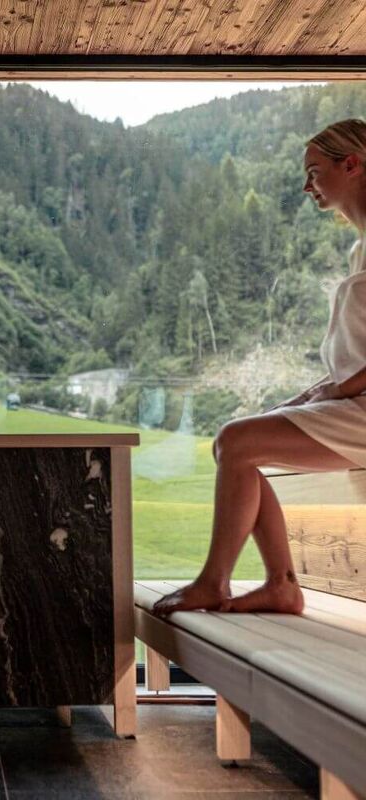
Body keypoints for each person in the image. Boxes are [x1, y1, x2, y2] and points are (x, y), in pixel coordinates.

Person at [154, 118, 366, 618]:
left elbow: (356, 373)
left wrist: (337, 391)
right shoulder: (360, 249)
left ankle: (216, 582)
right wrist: (308, 396)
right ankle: (281, 585)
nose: (306, 185)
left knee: (238, 442)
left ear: (351, 164)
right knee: (241, 443)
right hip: (354, 405)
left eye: (314, 171)